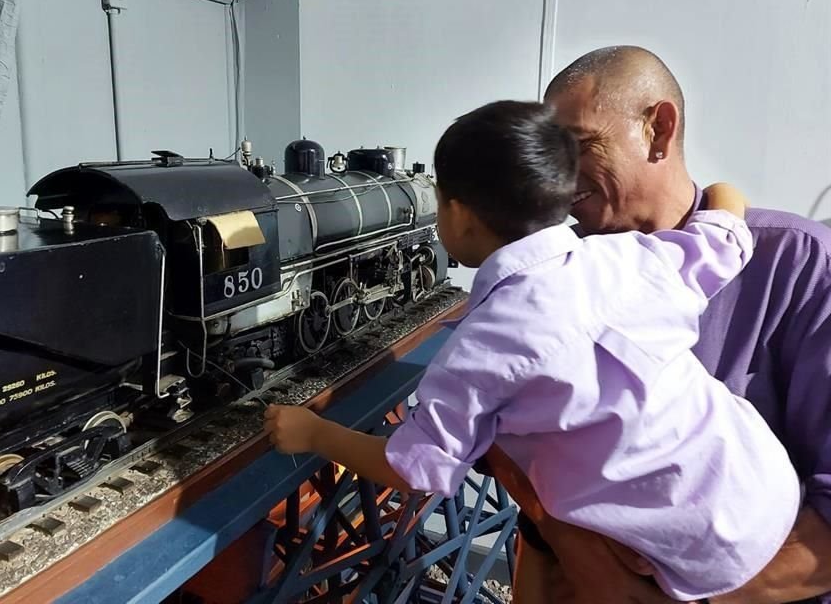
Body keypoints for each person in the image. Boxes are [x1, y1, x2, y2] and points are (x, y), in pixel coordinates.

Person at [264, 99, 802, 602]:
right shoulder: (628, 258)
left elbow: (420, 468)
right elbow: (727, 236)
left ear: (460, 215)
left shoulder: (482, 346)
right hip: (768, 490)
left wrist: (314, 434)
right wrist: (727, 190)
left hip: (684, 559)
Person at [502, 45, 831, 604]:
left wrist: (674, 596)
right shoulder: (560, 275)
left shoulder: (798, 267)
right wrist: (560, 536)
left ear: (659, 129)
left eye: (580, 147)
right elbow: (510, 440)